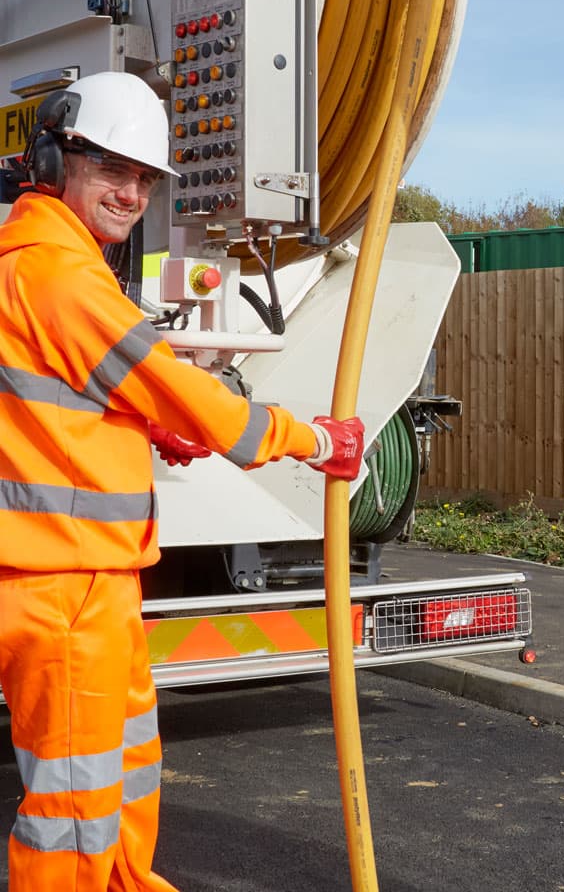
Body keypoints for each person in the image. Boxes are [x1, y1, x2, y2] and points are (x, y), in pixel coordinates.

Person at [0, 70, 365, 891]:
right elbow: (190, 395)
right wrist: (312, 438)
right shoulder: (59, 274)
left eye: (142, 179)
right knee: (71, 811)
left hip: (88, 576)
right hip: (62, 584)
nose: (131, 194)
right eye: (111, 171)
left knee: (117, 775)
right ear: (56, 165)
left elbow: (69, 405)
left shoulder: (47, 266)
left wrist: (145, 425)